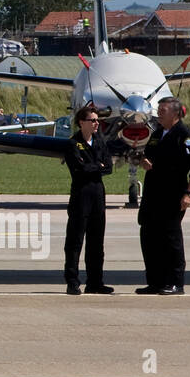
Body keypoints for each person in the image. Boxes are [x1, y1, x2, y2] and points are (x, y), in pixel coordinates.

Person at [137, 96, 190, 295]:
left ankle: (176, 282)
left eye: (163, 110)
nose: (159, 113)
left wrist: (188, 194)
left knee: (171, 238)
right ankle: (155, 281)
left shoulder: (185, 136)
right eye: (159, 110)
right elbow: (147, 155)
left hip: (172, 195)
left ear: (175, 114)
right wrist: (144, 161)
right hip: (152, 195)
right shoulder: (157, 134)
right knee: (149, 236)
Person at [63, 104, 112, 294]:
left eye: (97, 120)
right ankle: (72, 281)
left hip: (98, 195)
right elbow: (78, 169)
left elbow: (108, 167)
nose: (96, 123)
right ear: (81, 122)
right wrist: (96, 166)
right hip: (81, 195)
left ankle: (95, 282)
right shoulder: (73, 144)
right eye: (92, 120)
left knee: (96, 241)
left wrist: (93, 166)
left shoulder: (99, 142)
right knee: (75, 241)